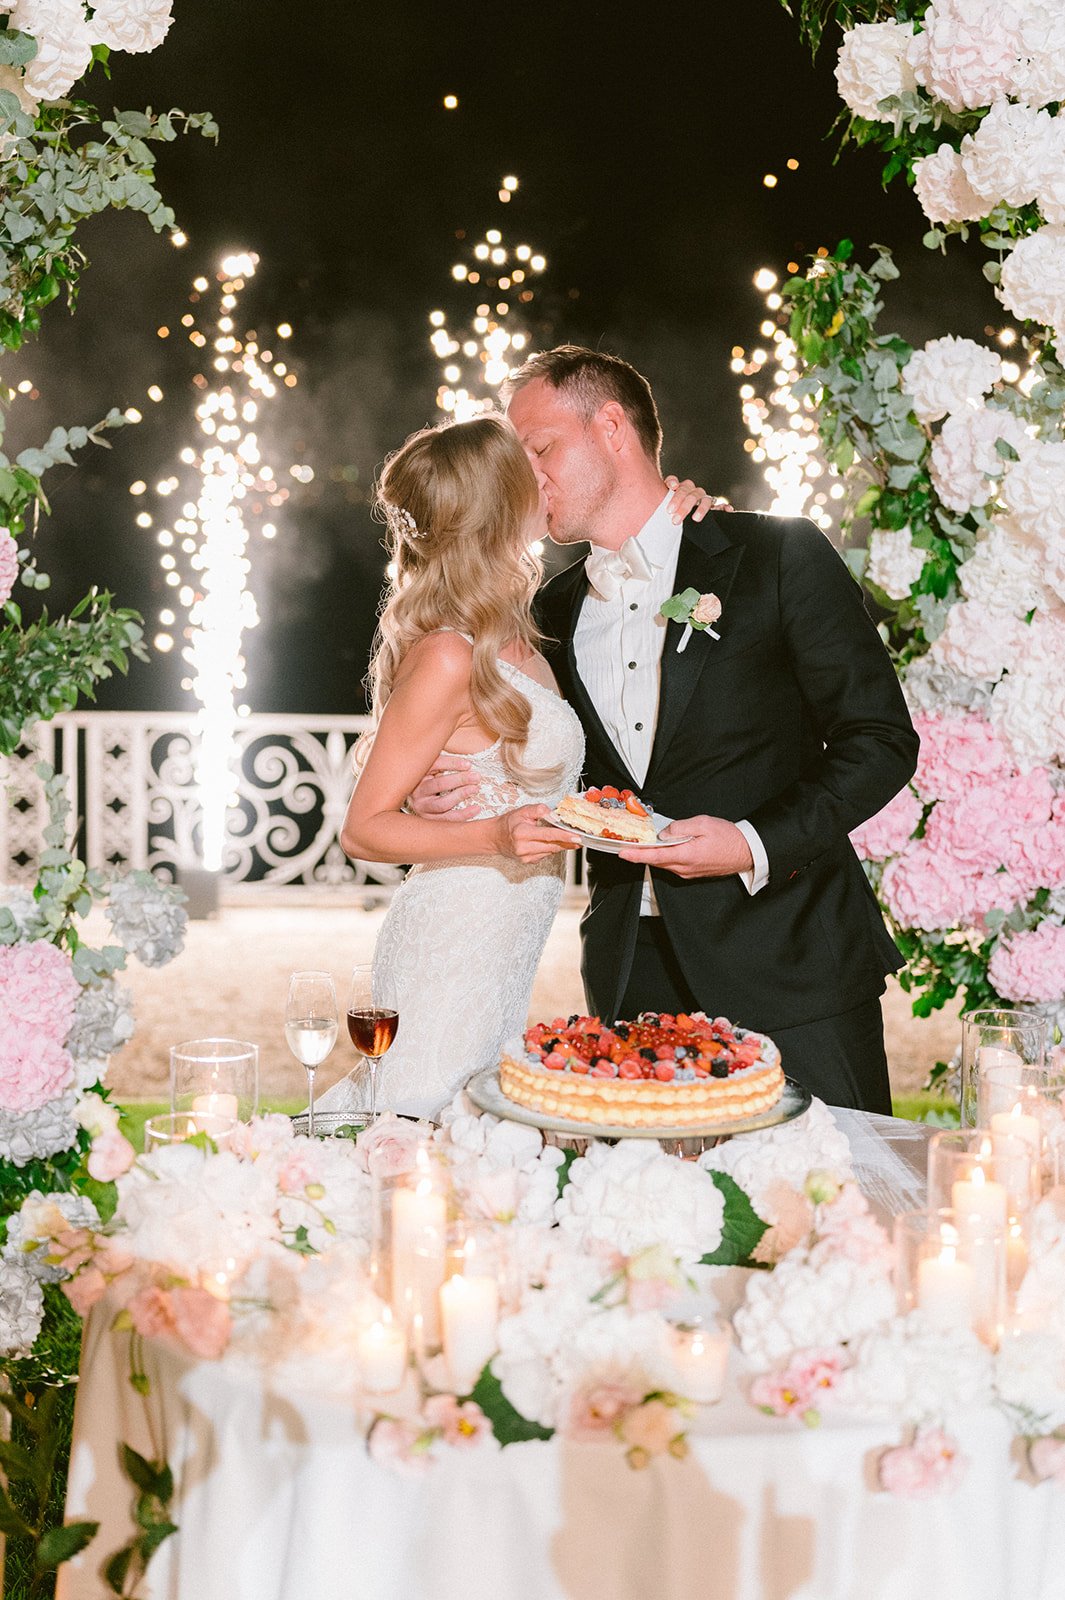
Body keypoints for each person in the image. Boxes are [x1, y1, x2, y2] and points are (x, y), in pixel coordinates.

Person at [413, 346, 920, 1114]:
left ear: (612, 427)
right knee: (658, 1219)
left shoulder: (775, 553)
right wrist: (446, 783)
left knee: (838, 1206)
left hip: (791, 958)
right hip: (628, 971)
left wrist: (751, 842)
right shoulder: (547, 613)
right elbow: (541, 761)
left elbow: (880, 740)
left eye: (541, 449)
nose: (525, 476)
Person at [317, 412, 713, 1120]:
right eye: (527, 463)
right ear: (498, 503)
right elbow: (363, 831)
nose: (544, 471)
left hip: (505, 950)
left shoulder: (523, 633)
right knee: (423, 1131)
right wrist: (492, 837)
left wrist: (684, 511)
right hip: (451, 941)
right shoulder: (446, 653)